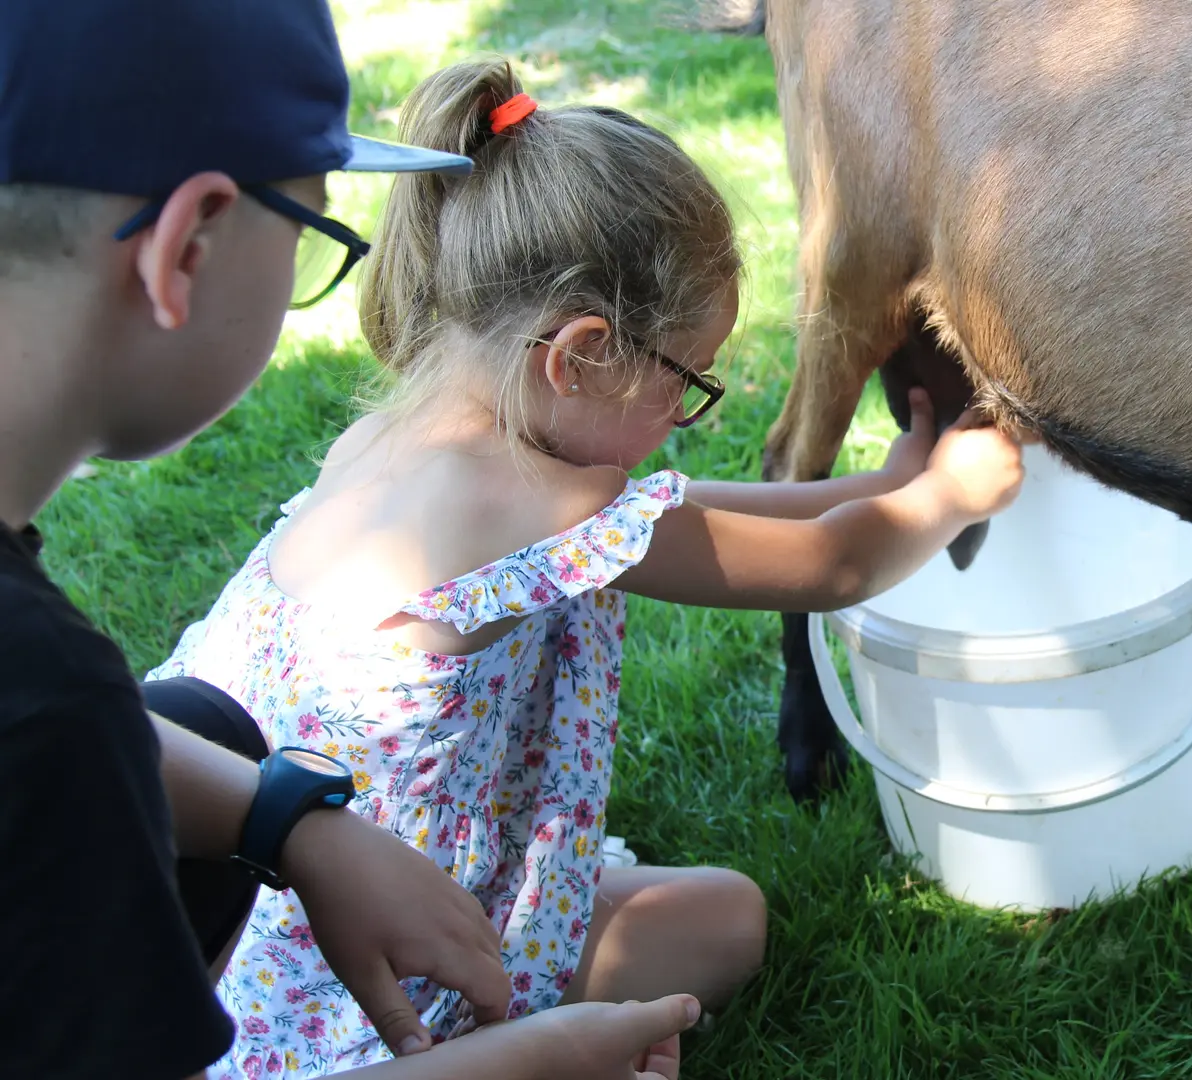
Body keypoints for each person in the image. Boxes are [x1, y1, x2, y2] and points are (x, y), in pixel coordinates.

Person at [142, 53, 1027, 1079]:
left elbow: (714, 512)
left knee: (696, 910)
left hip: (247, 905)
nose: (685, 418)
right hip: (361, 984)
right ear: (579, 355)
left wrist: (888, 483)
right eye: (686, 382)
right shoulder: (553, 507)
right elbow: (829, 569)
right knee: (729, 919)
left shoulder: (395, 442)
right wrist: (951, 497)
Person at [0, 3, 706, 1078]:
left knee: (197, 721)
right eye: (313, 232)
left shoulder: (51, 700)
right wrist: (534, 1061)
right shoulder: (53, 716)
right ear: (188, 246)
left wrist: (287, 819)